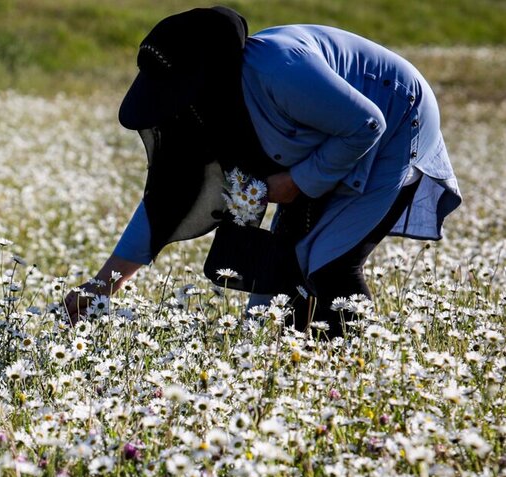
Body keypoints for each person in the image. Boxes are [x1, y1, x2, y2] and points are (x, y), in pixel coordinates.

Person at [64, 6, 461, 337]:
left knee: (326, 261)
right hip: (333, 139)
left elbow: (366, 125)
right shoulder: (204, 111)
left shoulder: (278, 69)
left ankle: (353, 373)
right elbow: (166, 198)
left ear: (202, 78)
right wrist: (101, 287)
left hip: (396, 118)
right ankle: (293, 370)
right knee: (279, 278)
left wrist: (297, 182)